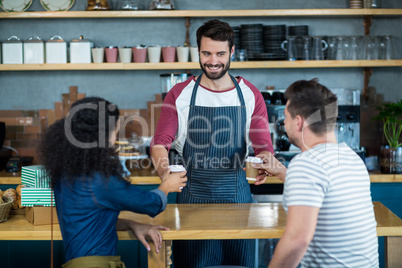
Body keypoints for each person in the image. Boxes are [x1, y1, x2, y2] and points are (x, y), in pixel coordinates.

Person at [151, 19, 274, 268]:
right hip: (191, 198)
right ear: (198, 52)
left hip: (237, 199)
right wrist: (165, 172)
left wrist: (265, 164)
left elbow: (263, 147)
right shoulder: (180, 93)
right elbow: (159, 143)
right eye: (206, 53)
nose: (213, 61)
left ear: (231, 52)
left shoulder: (250, 94)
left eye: (220, 53)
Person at [38, 97, 187, 268]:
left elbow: (92, 219)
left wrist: (132, 224)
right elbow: (151, 204)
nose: (115, 137)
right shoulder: (101, 180)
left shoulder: (66, 173)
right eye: (115, 131)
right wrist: (167, 185)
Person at [252, 79, 379, 268]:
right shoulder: (351, 159)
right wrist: (282, 172)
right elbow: (323, 191)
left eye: (286, 117)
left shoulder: (306, 164)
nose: (284, 123)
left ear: (299, 122)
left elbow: (297, 240)